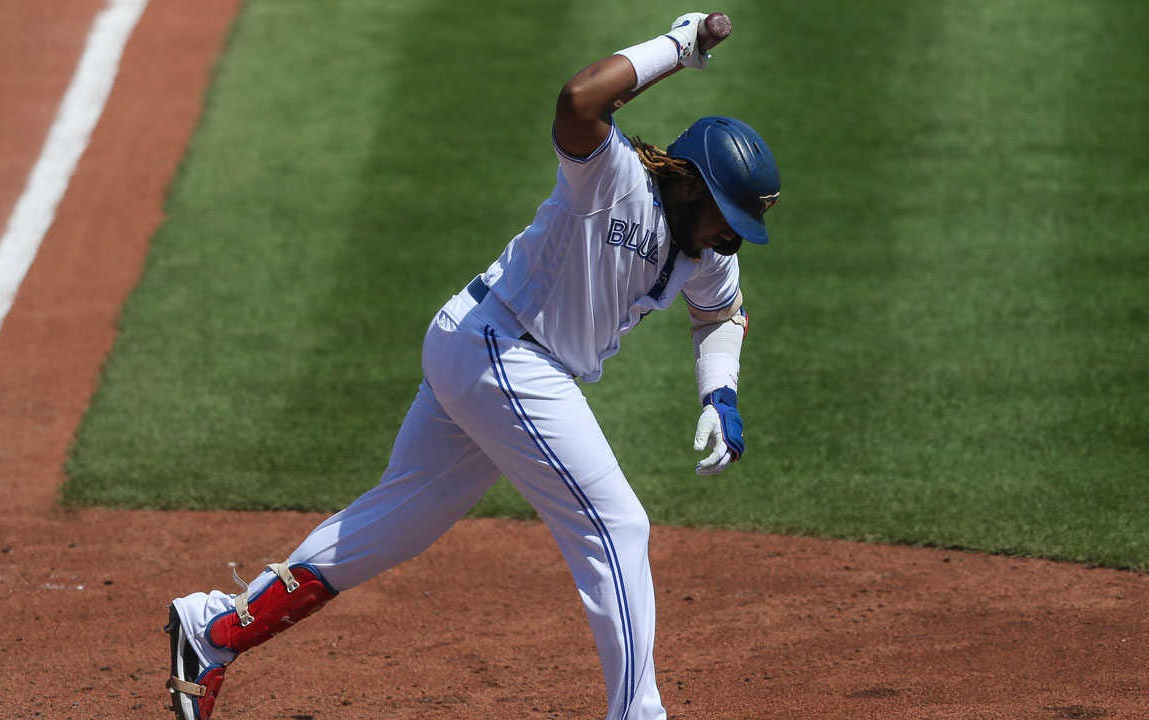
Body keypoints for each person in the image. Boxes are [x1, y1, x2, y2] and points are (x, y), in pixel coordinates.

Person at [164, 12, 780, 720]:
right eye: (729, 214)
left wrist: (721, 396)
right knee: (618, 527)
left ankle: (213, 630)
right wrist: (679, 47)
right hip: (505, 353)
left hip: (486, 355)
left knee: (398, 523)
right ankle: (639, 713)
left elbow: (721, 315)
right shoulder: (613, 180)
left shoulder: (708, 255)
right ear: (691, 184)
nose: (734, 235)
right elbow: (580, 100)